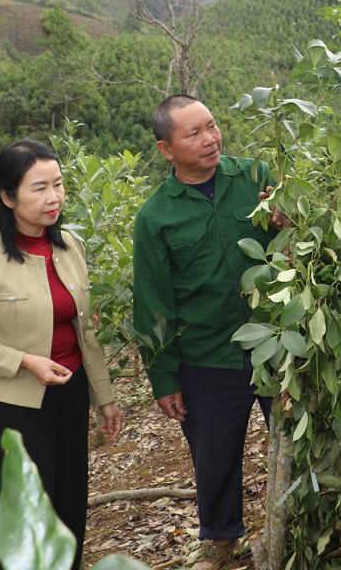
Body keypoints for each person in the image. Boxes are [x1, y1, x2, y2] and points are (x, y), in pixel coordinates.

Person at [0, 139, 122, 570]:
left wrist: (104, 396)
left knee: (69, 507)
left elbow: (83, 331)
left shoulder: (69, 247)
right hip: (15, 404)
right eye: (39, 188)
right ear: (7, 196)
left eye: (58, 184)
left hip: (69, 392)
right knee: (25, 515)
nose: (53, 197)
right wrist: (23, 360)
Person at [132, 94, 281, 570]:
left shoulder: (256, 178)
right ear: (166, 149)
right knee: (214, 453)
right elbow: (153, 303)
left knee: (295, 438)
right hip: (206, 354)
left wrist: (286, 219)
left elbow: (294, 243)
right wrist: (165, 378)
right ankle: (221, 540)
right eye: (193, 133)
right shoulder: (156, 216)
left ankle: (303, 519)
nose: (210, 139)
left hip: (274, 340)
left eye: (211, 126)